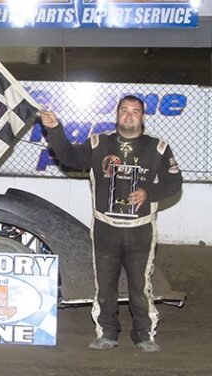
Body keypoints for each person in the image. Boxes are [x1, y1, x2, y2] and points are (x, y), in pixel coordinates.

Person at [39, 95, 183, 353]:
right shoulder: (98, 143)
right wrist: (55, 130)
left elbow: (174, 182)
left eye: (135, 111)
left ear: (142, 117)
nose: (129, 115)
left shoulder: (158, 147)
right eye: (124, 111)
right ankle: (106, 332)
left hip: (141, 228)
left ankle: (143, 334)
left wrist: (148, 193)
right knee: (105, 285)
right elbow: (70, 157)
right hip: (105, 227)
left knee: (140, 285)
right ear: (117, 115)